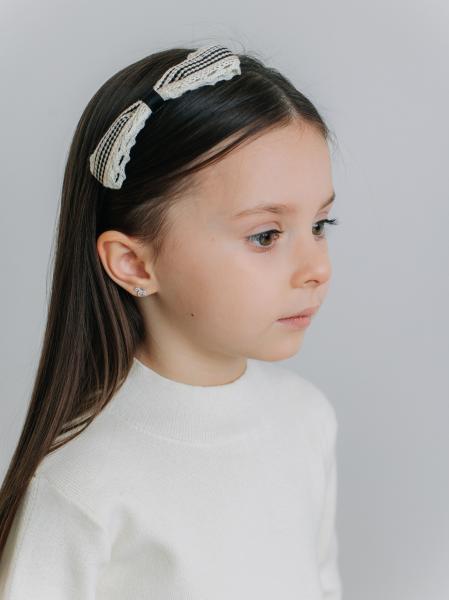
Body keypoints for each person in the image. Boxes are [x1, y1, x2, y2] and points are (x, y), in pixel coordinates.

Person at [0, 43, 342, 599]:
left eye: (321, 225)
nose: (317, 269)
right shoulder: (81, 484)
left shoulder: (307, 419)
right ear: (135, 263)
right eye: (265, 235)